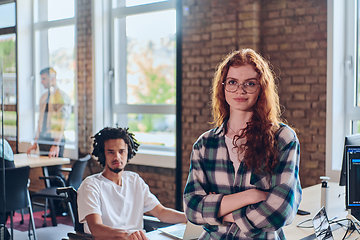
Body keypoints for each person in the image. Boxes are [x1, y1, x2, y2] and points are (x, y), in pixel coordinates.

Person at [183, 48, 302, 239]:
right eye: (232, 82)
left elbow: (280, 212)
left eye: (250, 83)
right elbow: (192, 208)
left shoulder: (283, 138)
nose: (240, 90)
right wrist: (251, 196)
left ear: (261, 88)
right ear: (222, 87)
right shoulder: (204, 144)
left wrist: (219, 210)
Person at [77, 127, 187, 240]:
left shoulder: (134, 180)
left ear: (128, 152)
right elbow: (96, 229)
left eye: (121, 151)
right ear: (103, 154)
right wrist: (126, 235)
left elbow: (161, 212)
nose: (117, 157)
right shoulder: (90, 185)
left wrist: (190, 218)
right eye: (111, 152)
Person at [26, 67, 71, 215]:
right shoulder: (43, 97)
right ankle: (53, 209)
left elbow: (61, 123)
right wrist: (35, 142)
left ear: (52, 78)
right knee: (46, 173)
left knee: (55, 174)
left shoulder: (61, 97)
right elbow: (40, 122)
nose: (41, 82)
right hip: (44, 140)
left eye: (44, 78)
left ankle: (61, 209)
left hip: (55, 140)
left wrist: (56, 144)